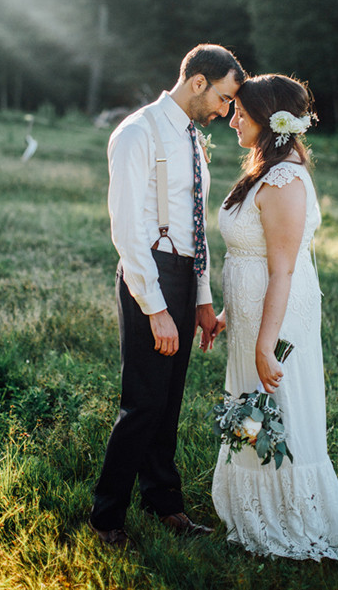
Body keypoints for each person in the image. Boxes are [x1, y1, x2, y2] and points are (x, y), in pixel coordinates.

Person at [90, 44, 246, 548]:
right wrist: (155, 307)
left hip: (183, 275)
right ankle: (106, 515)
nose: (226, 112)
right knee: (142, 402)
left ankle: (165, 503)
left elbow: (194, 224)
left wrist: (201, 296)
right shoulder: (137, 132)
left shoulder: (192, 138)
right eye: (223, 98)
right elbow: (128, 228)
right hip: (148, 274)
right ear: (198, 82)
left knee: (169, 401)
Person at [210, 74, 338, 561]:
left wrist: (265, 342)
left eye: (242, 115)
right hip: (255, 316)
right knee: (253, 409)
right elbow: (255, 254)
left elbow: (283, 269)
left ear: (269, 122)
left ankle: (288, 518)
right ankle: (253, 508)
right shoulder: (264, 169)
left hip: (277, 320)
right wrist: (233, 313)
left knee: (278, 410)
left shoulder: (286, 180)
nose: (233, 120)